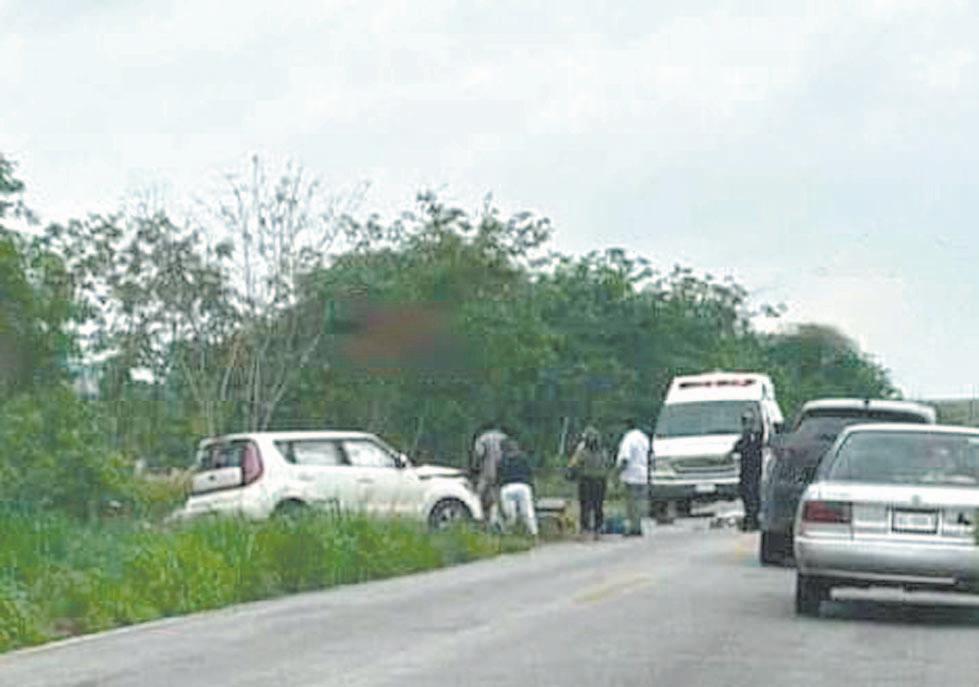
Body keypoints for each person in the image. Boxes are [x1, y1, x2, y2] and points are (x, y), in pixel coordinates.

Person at [569, 426, 609, 538]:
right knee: (598, 506)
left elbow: (574, 464)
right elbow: (606, 465)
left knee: (585, 506)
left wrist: (571, 473)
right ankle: (597, 529)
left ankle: (585, 530)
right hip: (600, 480)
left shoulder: (582, 452)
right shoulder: (603, 452)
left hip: (586, 480)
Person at [616, 418, 651, 537]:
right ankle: (638, 526)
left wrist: (617, 473)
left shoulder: (628, 438)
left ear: (627, 426)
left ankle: (633, 528)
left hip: (631, 475)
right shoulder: (644, 438)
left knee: (632, 504)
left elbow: (625, 458)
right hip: (643, 474)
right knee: (640, 503)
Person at [498, 439, 539, 537]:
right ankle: (533, 533)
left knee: (510, 514)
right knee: (527, 512)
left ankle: (509, 533)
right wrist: (533, 488)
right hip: (522, 485)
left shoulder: (503, 460)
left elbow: (498, 476)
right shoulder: (523, 458)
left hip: (507, 487)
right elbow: (530, 474)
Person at [734, 409, 765, 531]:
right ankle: (749, 520)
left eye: (750, 421)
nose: (748, 424)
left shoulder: (757, 437)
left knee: (755, 498)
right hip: (745, 474)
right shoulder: (742, 440)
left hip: (756, 473)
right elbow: (736, 451)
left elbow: (763, 434)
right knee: (746, 497)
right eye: (745, 421)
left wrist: (760, 417)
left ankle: (753, 521)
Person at [472, 423, 508, 527]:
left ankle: (479, 518)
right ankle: (499, 521)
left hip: (486, 471)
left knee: (478, 494)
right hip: (501, 471)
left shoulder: (482, 439)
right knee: (498, 496)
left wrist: (475, 468)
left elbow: (479, 454)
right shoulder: (503, 438)